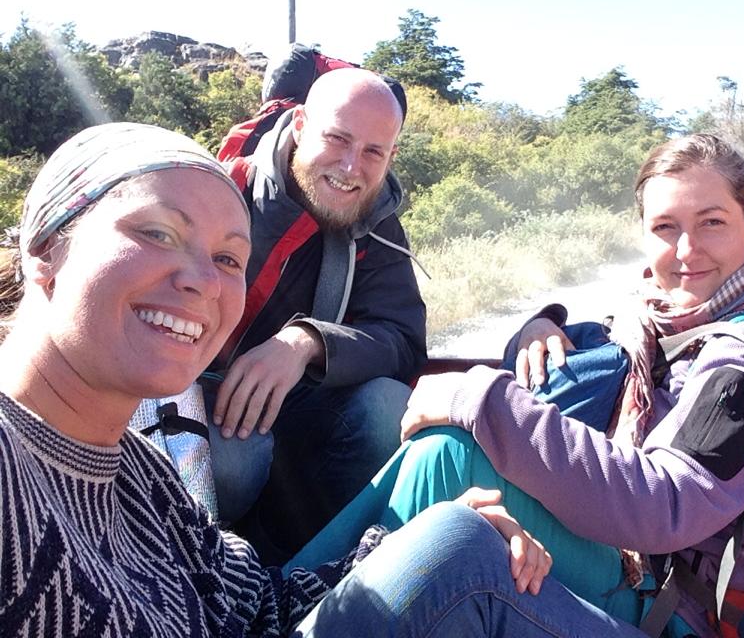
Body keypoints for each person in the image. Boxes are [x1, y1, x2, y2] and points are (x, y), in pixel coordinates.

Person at [0, 121, 650, 638]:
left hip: (302, 432)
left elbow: (255, 607)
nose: (201, 280)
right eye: (158, 232)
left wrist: (411, 539)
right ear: (45, 249)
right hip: (243, 426)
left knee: (459, 534)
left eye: (228, 258)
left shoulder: (142, 475)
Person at [290, 134, 744, 637]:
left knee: (454, 484)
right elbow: (596, 361)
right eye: (666, 227)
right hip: (639, 566)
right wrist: (539, 327)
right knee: (444, 455)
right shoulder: (658, 321)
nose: (687, 250)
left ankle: (306, 611)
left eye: (712, 222)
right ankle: (293, 600)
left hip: (689, 609)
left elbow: (665, 504)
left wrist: (480, 398)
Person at [211, 67, 428, 563]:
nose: (351, 167)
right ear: (301, 125)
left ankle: (305, 569)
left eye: (373, 152)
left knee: (388, 409)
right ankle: (207, 569)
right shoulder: (226, 190)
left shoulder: (377, 224)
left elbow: (403, 339)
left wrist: (308, 342)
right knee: (233, 461)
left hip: (300, 413)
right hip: (201, 403)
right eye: (338, 139)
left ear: (391, 156)